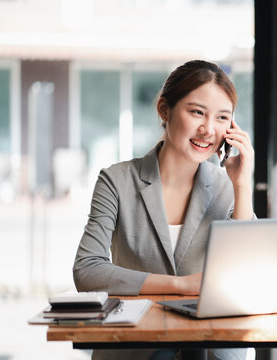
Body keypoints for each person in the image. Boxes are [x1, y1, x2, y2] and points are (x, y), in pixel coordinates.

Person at [73, 60, 255, 360]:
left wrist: (243, 186)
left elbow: (247, 274)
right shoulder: (116, 180)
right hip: (134, 345)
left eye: (222, 117)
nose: (208, 129)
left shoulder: (227, 187)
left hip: (210, 346)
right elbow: (87, 269)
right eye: (197, 112)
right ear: (164, 110)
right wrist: (180, 286)